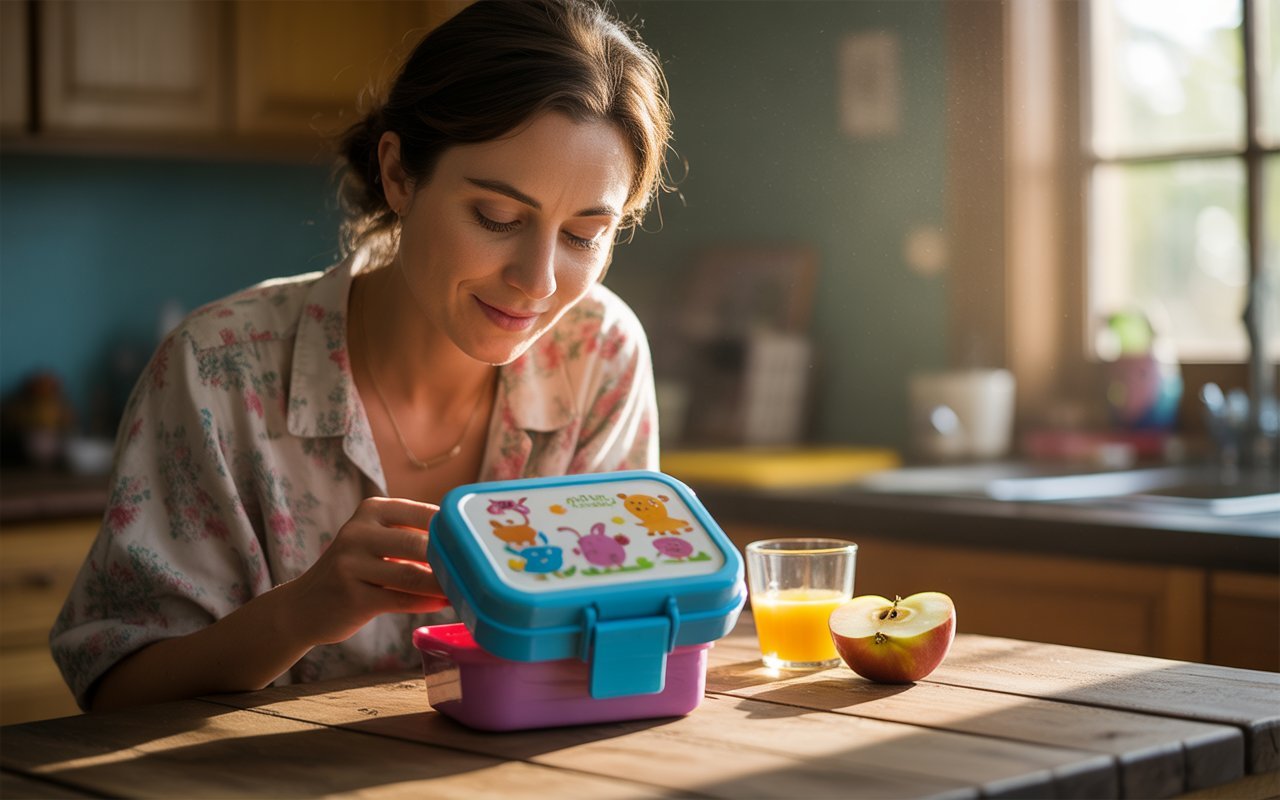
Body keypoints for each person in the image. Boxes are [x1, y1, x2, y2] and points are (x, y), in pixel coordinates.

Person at [50, 0, 673, 712]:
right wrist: (300, 614)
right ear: (399, 174)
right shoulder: (217, 371)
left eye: (584, 235)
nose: (538, 281)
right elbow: (114, 691)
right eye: (498, 218)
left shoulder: (597, 355)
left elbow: (611, 646)